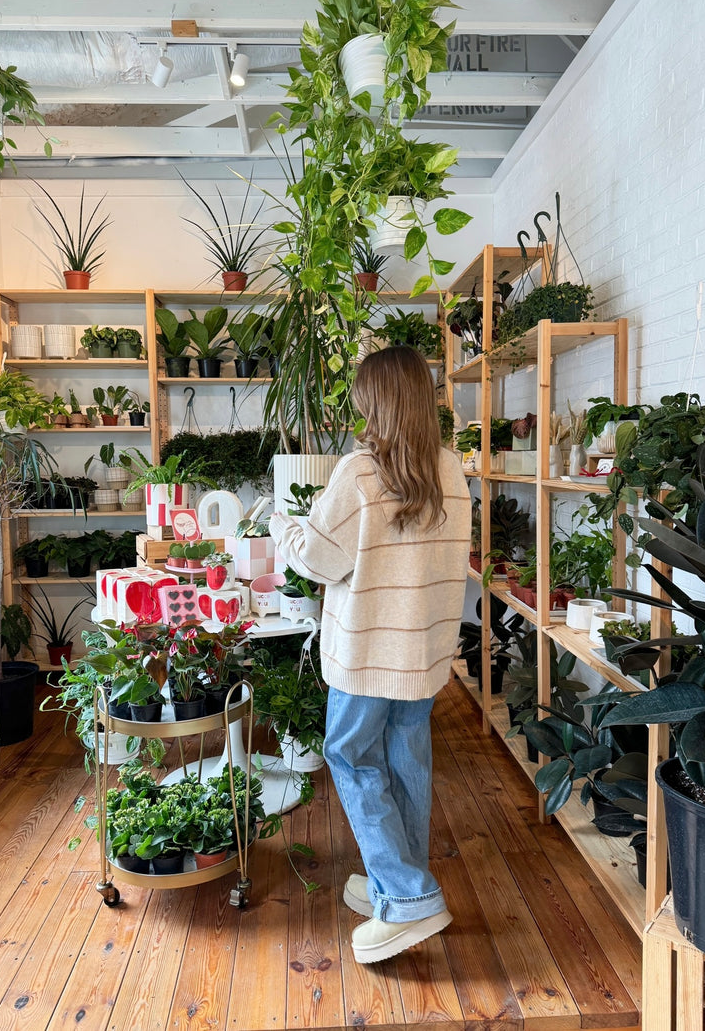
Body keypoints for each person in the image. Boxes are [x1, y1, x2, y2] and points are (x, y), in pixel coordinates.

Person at [269, 345, 471, 963]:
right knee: (405, 757)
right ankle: (397, 883)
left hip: (366, 650)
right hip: (422, 650)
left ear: (376, 401)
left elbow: (320, 559)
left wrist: (284, 526)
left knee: (350, 755)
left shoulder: (360, 472)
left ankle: (409, 896)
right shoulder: (449, 469)